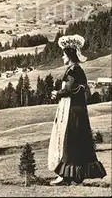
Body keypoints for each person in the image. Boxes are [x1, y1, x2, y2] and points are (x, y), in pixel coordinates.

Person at [48, 34, 107, 185]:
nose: (62, 57)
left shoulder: (73, 70)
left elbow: (70, 89)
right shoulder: (75, 69)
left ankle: (66, 176)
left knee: (69, 140)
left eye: (63, 54)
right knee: (76, 141)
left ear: (68, 54)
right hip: (76, 109)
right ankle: (74, 176)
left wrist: (57, 93)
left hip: (72, 110)